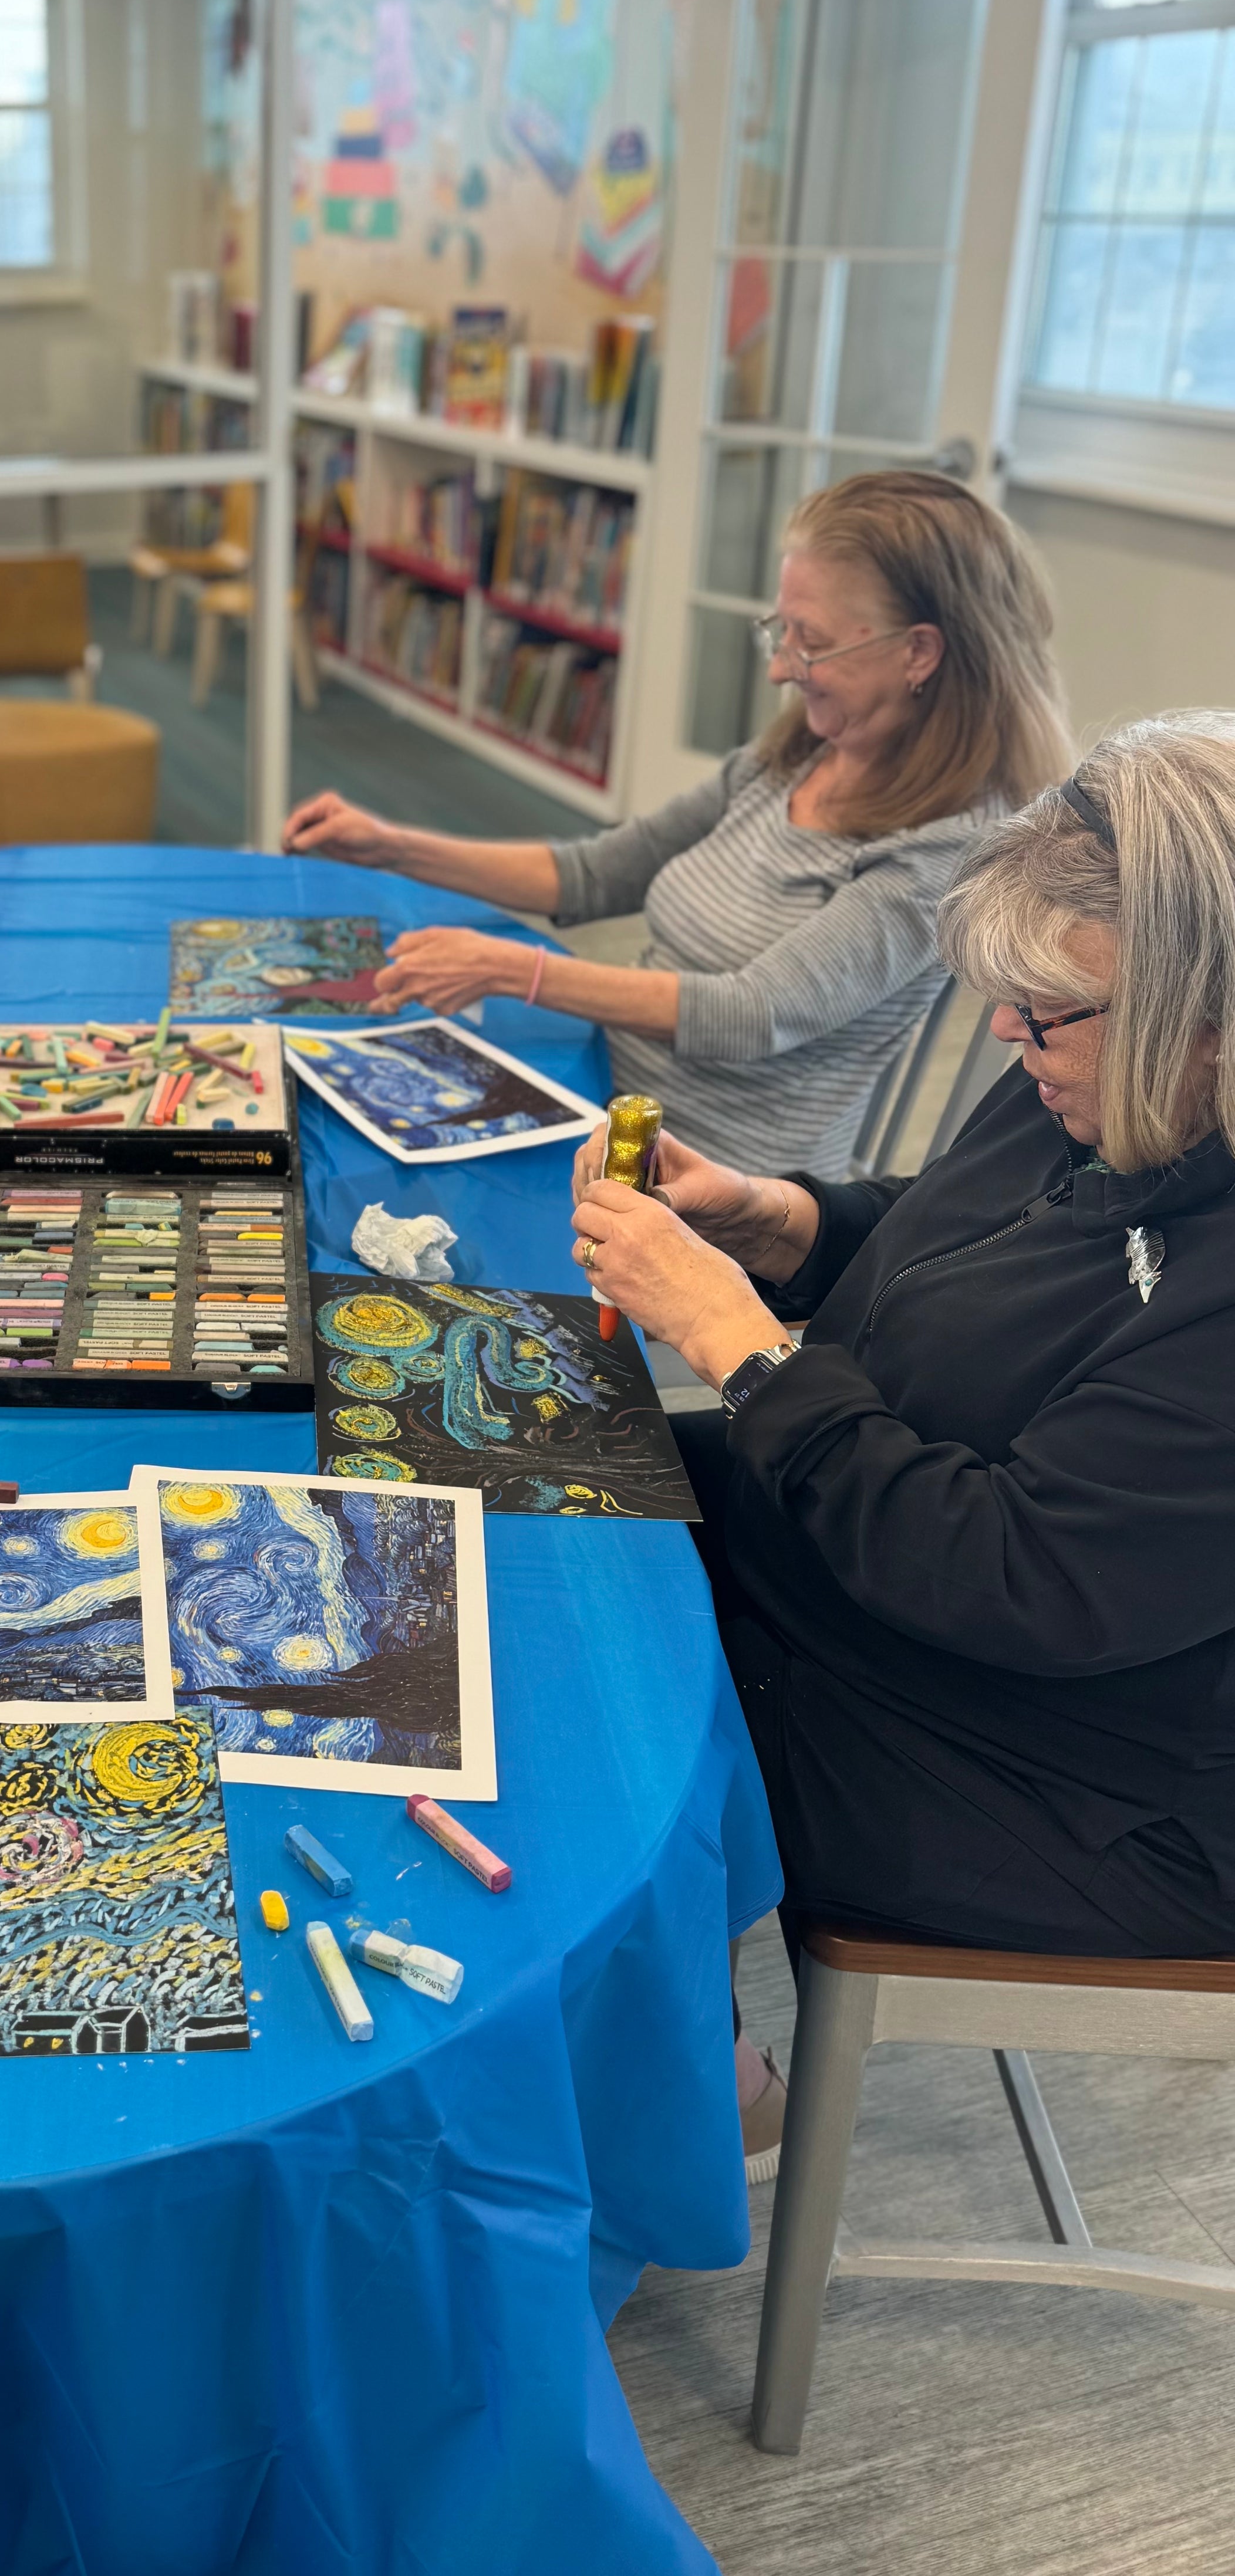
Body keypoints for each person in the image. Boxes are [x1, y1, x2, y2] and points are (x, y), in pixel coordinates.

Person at [569, 712, 1235, 1996]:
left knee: (603, 1721)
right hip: (887, 1554)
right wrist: (776, 1220)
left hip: (1067, 1771)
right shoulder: (1101, 1075)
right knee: (561, 1486)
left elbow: (1012, 1578)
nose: (1009, 1034)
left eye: (1047, 1014)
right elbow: (968, 1237)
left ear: (1204, 1019)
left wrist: (739, 1346)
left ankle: (700, 2070)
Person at [284, 471, 1071, 1175]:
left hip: (713, 1187)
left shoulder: (948, 846)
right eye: (782, 630)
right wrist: (392, 846)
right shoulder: (800, 753)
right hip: (603, 1100)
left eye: (812, 642)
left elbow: (755, 1012)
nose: (780, 667)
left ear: (919, 653)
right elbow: (596, 874)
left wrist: (514, 970)